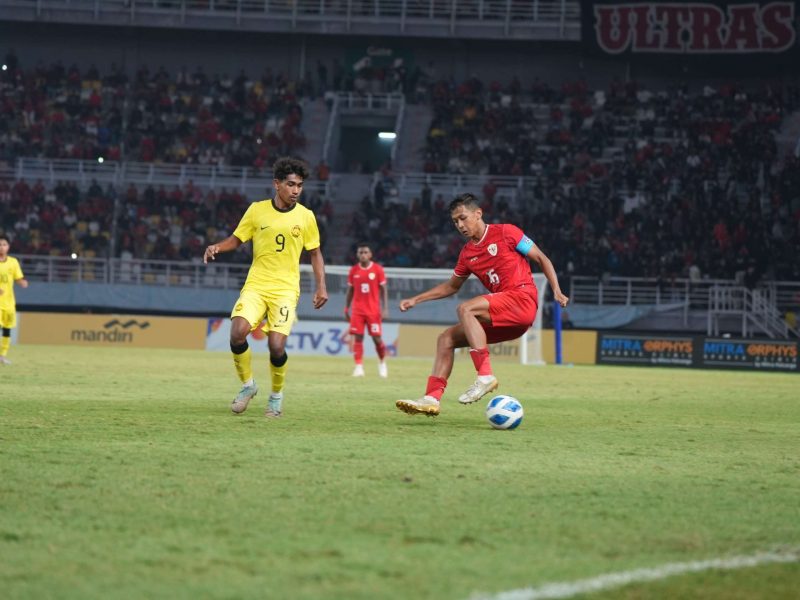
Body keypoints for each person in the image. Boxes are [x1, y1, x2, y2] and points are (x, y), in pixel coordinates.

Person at [396, 193, 569, 417]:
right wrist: (416, 299)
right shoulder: (467, 254)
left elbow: (542, 258)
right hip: (508, 318)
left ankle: (485, 375)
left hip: (522, 298)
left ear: (478, 214)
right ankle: (431, 399)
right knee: (446, 339)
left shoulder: (507, 232)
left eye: (463, 218)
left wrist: (556, 289)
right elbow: (451, 287)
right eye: (455, 222)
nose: (460, 225)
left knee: (465, 309)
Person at [203, 157, 328, 417]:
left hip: (285, 289)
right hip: (256, 285)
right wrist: (217, 246)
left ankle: (276, 396)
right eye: (291, 184)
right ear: (277, 184)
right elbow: (237, 239)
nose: (296, 191)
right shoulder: (257, 210)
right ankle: (248, 386)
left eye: (300, 186)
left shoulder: (306, 217)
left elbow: (315, 253)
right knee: (237, 332)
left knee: (276, 346)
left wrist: (321, 287)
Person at [344, 243, 389, 378]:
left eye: (365, 252)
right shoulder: (353, 270)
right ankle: (359, 367)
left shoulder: (377, 269)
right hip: (357, 310)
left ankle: (382, 363)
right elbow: (350, 291)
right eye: (360, 253)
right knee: (358, 337)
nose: (363, 255)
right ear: (357, 255)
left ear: (370, 255)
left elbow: (384, 290)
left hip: (373, 311)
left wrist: (385, 308)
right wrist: (346, 307)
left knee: (377, 339)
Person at [0, 235, 29, 365]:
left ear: (8, 247)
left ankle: (2, 355)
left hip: (9, 303)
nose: (1, 247)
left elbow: (17, 278)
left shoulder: (13, 262)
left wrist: (22, 282)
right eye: (0, 244)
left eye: (4, 244)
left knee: (7, 329)